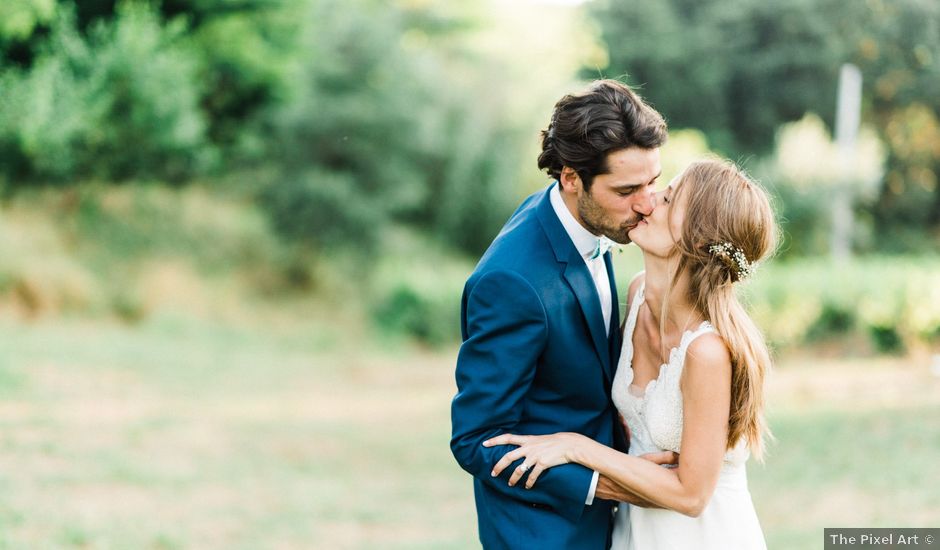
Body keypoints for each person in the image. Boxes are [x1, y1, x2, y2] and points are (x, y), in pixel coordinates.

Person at [485, 159, 776, 549]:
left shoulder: (707, 352)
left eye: (669, 199)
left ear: (699, 241)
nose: (648, 201)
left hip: (703, 535)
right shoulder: (637, 295)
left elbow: (691, 496)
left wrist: (578, 447)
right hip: (635, 529)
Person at [450, 79, 668, 549]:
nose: (647, 203)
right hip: (544, 532)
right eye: (628, 189)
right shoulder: (511, 282)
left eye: (653, 182)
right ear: (571, 178)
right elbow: (476, 439)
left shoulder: (586, 220)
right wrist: (613, 482)